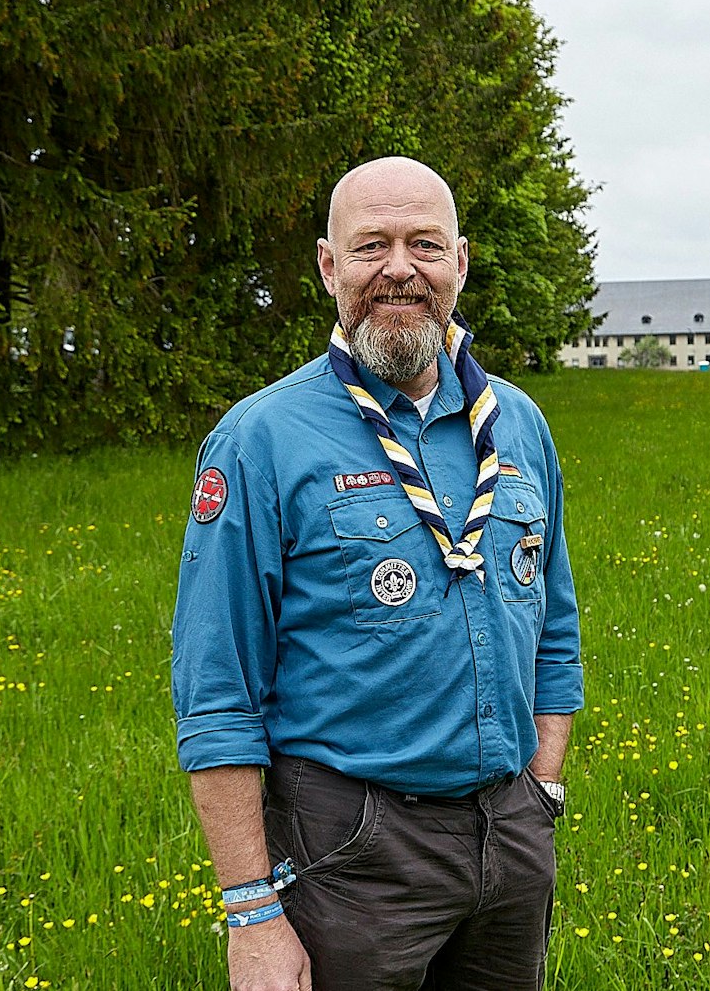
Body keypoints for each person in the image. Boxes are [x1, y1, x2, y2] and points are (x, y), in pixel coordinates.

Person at [170, 156, 584, 991]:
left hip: (509, 840)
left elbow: (557, 627)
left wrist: (539, 790)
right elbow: (218, 691)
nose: (401, 268)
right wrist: (252, 914)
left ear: (460, 263)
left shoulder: (518, 424)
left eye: (424, 244)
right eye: (372, 246)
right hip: (350, 851)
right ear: (330, 267)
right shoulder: (260, 440)